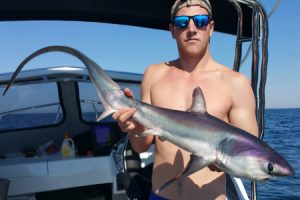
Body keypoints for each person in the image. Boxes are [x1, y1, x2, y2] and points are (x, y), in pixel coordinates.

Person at [113, 0, 259, 199]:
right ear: (172, 30)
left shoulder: (236, 83)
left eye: (200, 21)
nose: (192, 28)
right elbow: (140, 146)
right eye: (182, 22)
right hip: (160, 196)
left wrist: (223, 164)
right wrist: (132, 127)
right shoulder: (153, 75)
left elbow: (250, 155)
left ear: (211, 28)